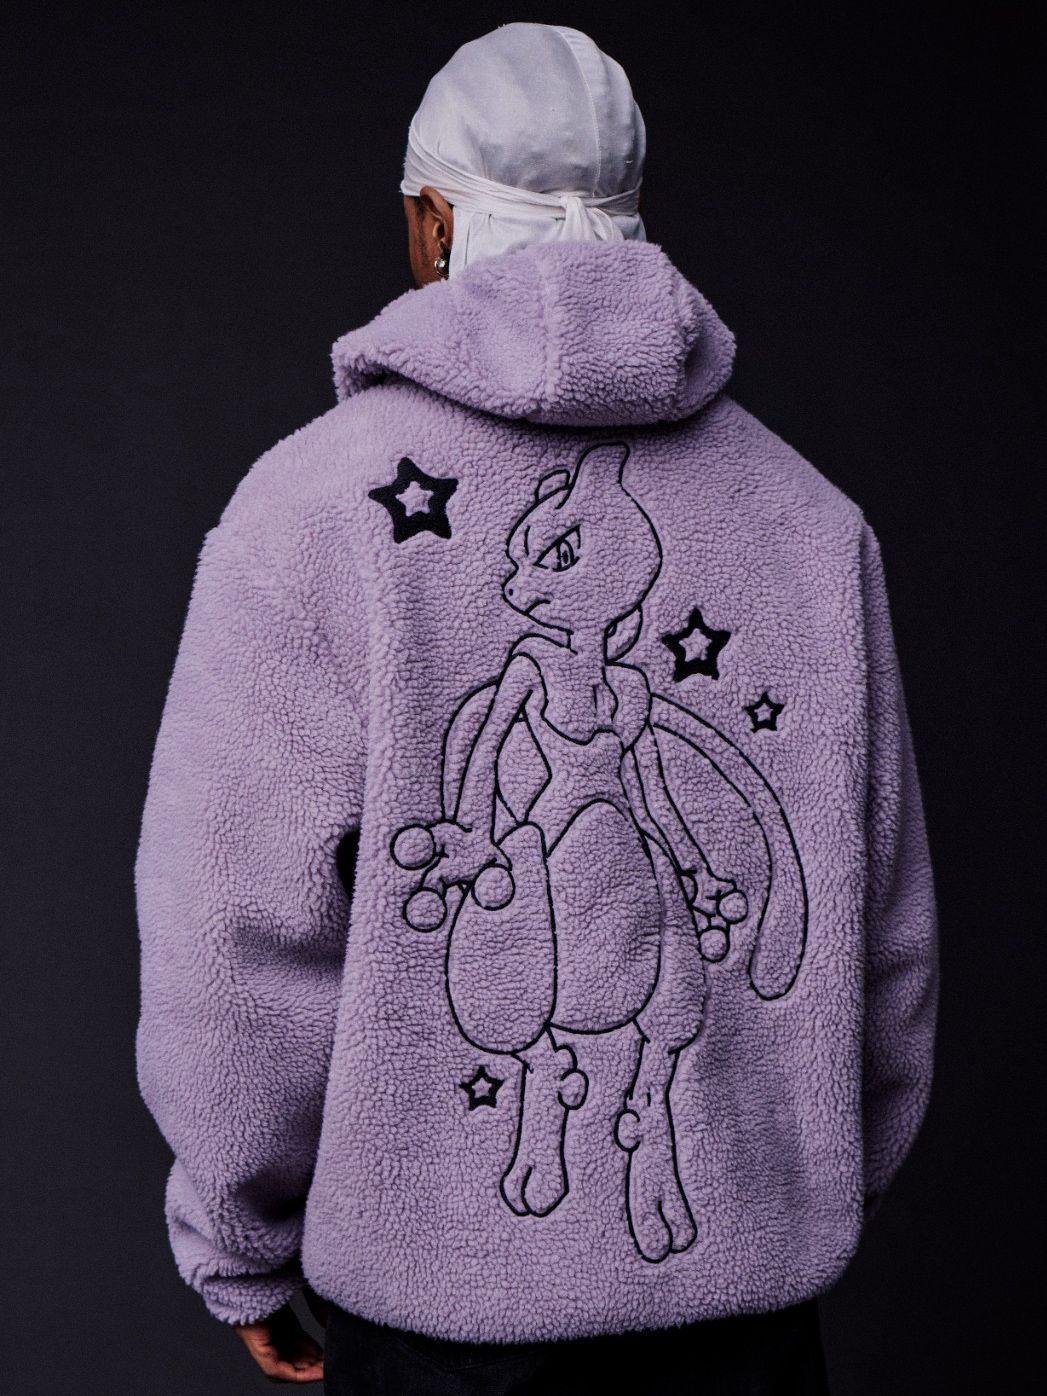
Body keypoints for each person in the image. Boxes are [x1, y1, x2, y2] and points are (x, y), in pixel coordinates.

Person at [134, 22, 938, 1395]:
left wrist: (239, 1241)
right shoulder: (811, 522)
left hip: (439, 1336)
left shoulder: (310, 512)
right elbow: (890, 929)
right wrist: (803, 1179)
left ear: (432, 220)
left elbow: (233, 931)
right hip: (747, 1330)